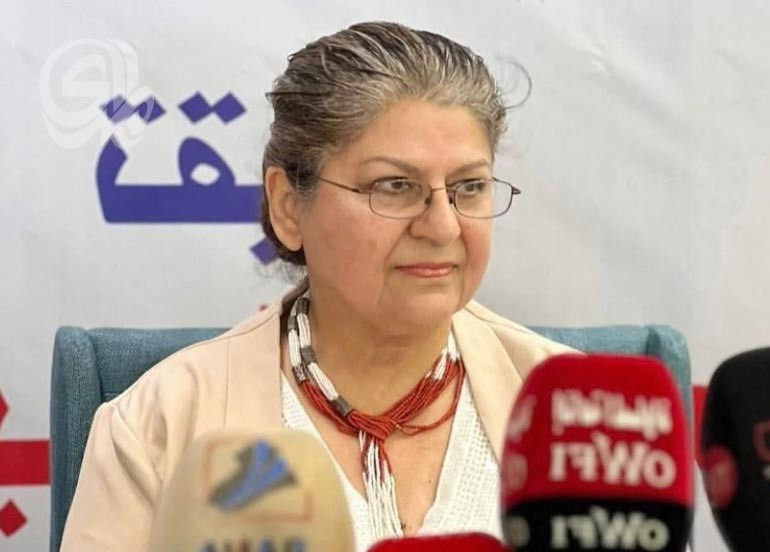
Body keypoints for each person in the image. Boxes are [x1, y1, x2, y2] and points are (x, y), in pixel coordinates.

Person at [60, 21, 575, 551]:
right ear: (288, 207)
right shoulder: (160, 425)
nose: (443, 227)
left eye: (469, 187)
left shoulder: (580, 418)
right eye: (394, 186)